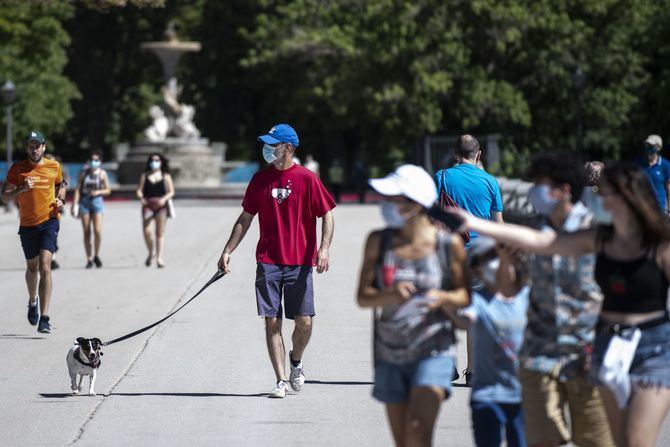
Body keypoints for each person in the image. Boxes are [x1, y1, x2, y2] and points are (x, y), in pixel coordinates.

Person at [450, 161, 670, 446]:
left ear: (629, 197)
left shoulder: (660, 244)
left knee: (634, 441)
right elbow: (541, 242)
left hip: (649, 347)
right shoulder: (599, 238)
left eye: (605, 193)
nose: (598, 198)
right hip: (606, 345)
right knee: (617, 440)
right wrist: (476, 223)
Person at [217, 124, 335, 398]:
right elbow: (245, 218)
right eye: (267, 144)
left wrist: (324, 248)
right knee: (272, 322)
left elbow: (327, 214)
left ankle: (296, 359)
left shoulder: (308, 179)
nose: (268, 149)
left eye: (273, 145)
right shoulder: (259, 180)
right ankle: (281, 380)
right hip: (268, 261)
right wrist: (227, 250)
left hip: (300, 262)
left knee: (304, 321)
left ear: (288, 148)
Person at [357, 164, 469, 447]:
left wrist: (441, 298)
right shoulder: (378, 242)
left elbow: (465, 295)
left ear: (417, 204)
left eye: (395, 198)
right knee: (405, 440)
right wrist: (390, 295)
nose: (387, 205)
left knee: (418, 429)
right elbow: (363, 296)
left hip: (434, 349)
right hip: (390, 352)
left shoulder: (448, 245)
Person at [434, 134, 504, 385]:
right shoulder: (490, 182)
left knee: (446, 307)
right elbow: (499, 225)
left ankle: (448, 364)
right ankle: (473, 370)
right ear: (479, 154)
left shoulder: (442, 177)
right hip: (481, 255)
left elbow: (432, 214)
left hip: (449, 253)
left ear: (455, 154)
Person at [449, 237, 529, 447]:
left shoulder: (527, 298)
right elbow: (462, 319)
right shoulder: (477, 303)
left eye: (498, 256)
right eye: (487, 258)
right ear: (475, 270)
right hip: (486, 396)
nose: (496, 262)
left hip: (523, 395)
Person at [0, 131, 66, 334]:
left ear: (44, 147)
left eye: (37, 146)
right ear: (26, 148)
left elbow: (60, 186)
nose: (34, 149)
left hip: (49, 221)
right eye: (31, 146)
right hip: (28, 225)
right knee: (32, 268)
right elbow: (4, 197)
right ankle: (33, 300)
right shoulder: (17, 169)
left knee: (45, 266)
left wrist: (61, 200)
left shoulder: (53, 166)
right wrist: (21, 189)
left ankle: (45, 318)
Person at [71, 151, 111, 268]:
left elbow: (108, 190)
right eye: (92, 160)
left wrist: (99, 191)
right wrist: (74, 204)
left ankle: (96, 254)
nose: (94, 162)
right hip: (85, 202)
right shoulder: (84, 173)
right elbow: (78, 189)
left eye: (96, 160)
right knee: (87, 231)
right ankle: (89, 258)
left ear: (100, 162)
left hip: (97, 201)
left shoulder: (103, 174)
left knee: (97, 231)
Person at [136, 153, 175, 268]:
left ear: (161, 162)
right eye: (153, 160)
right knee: (147, 232)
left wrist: (164, 199)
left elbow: (171, 191)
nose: (155, 162)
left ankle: (159, 258)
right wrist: (141, 198)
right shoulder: (145, 175)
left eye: (157, 160)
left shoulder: (165, 176)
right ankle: (151, 251)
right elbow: (139, 190)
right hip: (148, 205)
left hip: (161, 206)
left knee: (159, 232)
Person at [44, 153, 70, 270]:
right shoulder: (40, 173)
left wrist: (62, 201)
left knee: (52, 234)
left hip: (55, 207)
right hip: (41, 209)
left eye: (52, 161)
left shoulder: (59, 170)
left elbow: (64, 184)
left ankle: (52, 258)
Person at [637, 134, 670, 214]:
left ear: (658, 147)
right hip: (643, 209)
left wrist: (669, 210)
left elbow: (669, 189)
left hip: (660, 210)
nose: (648, 147)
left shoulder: (665, 165)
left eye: (651, 145)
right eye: (647, 145)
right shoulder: (639, 163)